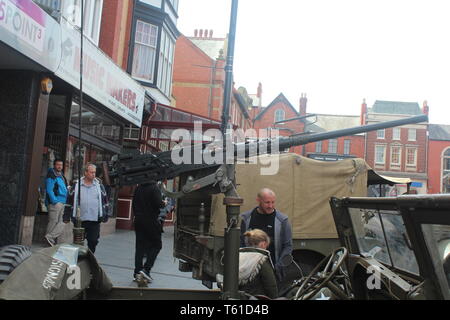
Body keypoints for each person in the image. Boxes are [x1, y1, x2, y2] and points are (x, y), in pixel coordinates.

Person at [240, 188, 293, 280]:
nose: (270, 206)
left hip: (272, 270)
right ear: (258, 201)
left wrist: (279, 265)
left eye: (273, 202)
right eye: (267, 202)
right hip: (249, 271)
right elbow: (240, 243)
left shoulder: (282, 220)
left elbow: (288, 246)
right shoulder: (247, 218)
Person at [132, 181, 166, 282]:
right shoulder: (154, 188)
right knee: (157, 245)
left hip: (138, 220)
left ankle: (137, 272)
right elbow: (158, 204)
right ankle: (146, 269)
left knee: (139, 247)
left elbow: (134, 204)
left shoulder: (138, 187)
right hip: (151, 220)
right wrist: (164, 203)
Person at [71, 163, 109, 253]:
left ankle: (90, 258)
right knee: (78, 243)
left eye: (94, 172)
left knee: (93, 241)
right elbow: (70, 199)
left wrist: (105, 214)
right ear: (85, 172)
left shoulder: (99, 186)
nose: (93, 174)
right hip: (80, 219)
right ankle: (78, 261)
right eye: (91, 172)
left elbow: (105, 201)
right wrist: (66, 215)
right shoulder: (77, 185)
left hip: (94, 220)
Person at [239, 229, 278, 298]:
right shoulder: (261, 259)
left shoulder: (237, 257)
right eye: (266, 246)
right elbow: (270, 285)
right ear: (263, 243)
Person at [44, 159, 68, 246]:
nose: (59, 166)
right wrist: (54, 201)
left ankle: (50, 237)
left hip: (63, 202)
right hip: (55, 202)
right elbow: (49, 190)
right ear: (54, 165)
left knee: (61, 222)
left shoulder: (61, 175)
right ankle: (48, 241)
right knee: (53, 221)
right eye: (58, 165)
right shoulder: (52, 175)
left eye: (61, 165)